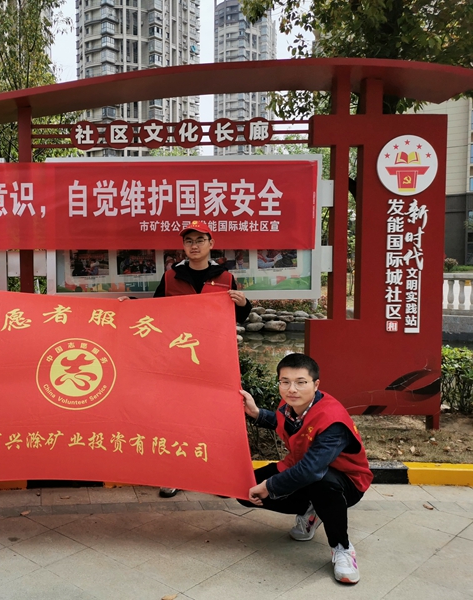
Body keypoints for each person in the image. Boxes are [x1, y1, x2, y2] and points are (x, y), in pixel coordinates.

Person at [239, 353, 373, 585]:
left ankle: (342, 548)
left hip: (346, 483)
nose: (292, 389)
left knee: (321, 482)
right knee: (244, 490)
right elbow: (286, 423)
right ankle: (312, 510)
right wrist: (257, 413)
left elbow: (311, 470)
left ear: (316, 384)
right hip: (302, 469)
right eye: (285, 382)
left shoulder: (332, 420)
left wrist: (269, 486)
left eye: (301, 382)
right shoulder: (289, 405)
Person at [154, 221, 252, 498]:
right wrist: (130, 304)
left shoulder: (225, 278)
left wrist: (243, 303)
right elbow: (154, 311)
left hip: (215, 361)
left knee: (216, 417)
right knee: (177, 417)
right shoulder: (171, 277)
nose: (194, 245)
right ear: (183, 247)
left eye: (200, 240)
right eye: (189, 241)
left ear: (211, 244)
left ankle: (218, 478)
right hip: (178, 361)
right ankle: (175, 474)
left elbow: (239, 316)